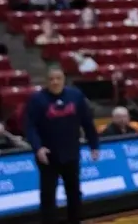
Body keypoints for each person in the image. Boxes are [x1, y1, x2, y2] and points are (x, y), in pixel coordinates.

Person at [24, 67, 100, 224]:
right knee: (48, 196)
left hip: (71, 153)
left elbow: (87, 122)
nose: (55, 82)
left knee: (74, 193)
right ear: (47, 81)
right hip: (48, 156)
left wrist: (94, 145)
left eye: (58, 78)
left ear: (64, 79)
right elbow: (30, 127)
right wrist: (38, 148)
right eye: (51, 79)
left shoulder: (76, 96)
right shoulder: (37, 99)